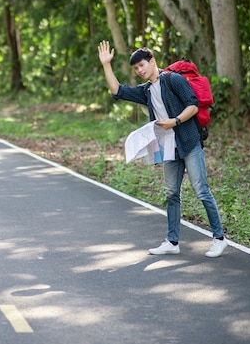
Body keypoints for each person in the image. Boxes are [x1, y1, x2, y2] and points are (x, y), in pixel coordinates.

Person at [97, 41, 227, 258]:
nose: (139, 70)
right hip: (169, 148)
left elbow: (193, 105)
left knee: (201, 190)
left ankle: (219, 238)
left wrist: (174, 121)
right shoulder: (146, 90)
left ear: (152, 61)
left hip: (189, 141)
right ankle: (172, 241)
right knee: (171, 193)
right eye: (136, 68)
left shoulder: (173, 79)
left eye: (142, 65)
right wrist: (106, 65)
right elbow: (118, 91)